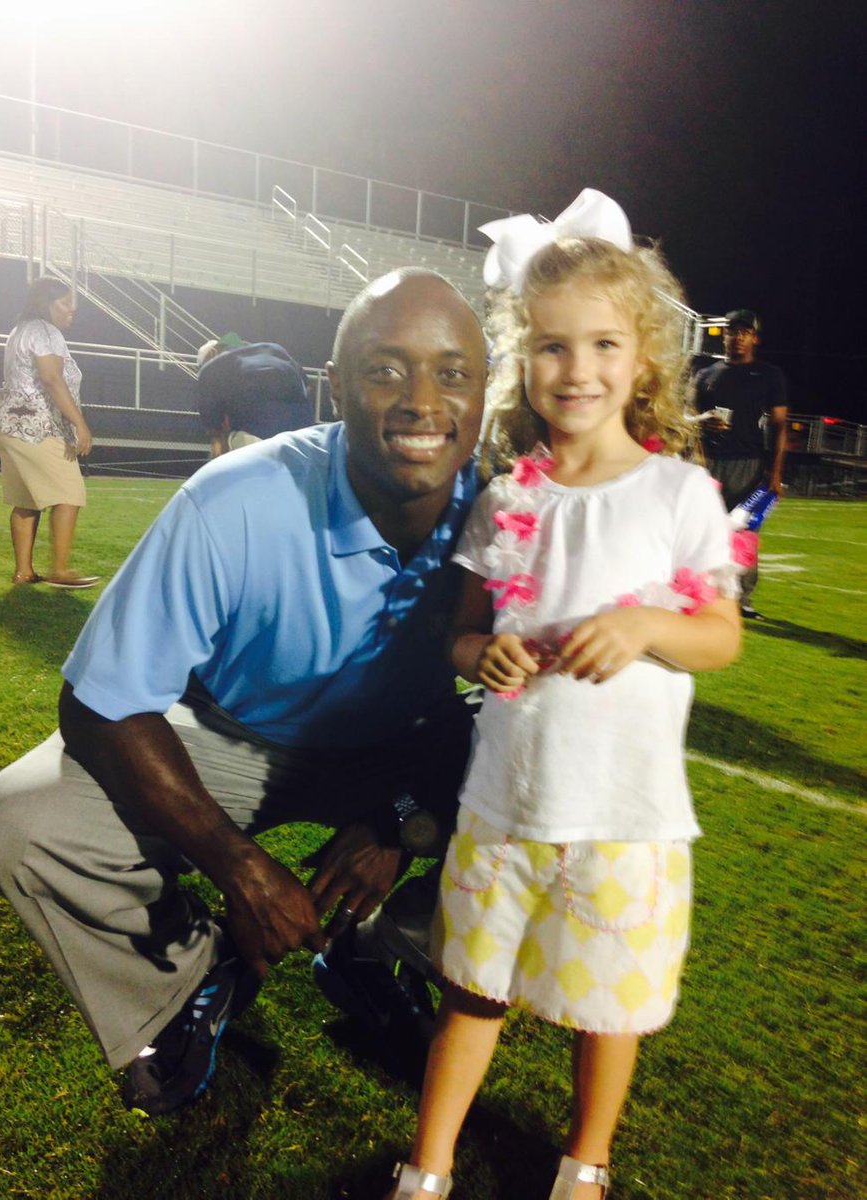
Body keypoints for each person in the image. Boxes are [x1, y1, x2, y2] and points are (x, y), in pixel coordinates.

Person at [0, 268, 487, 1116]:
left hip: (408, 745)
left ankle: (376, 946)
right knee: (20, 821)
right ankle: (189, 976)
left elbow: (541, 714)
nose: (420, 401)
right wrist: (237, 864)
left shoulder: (517, 517)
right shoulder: (237, 497)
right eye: (386, 369)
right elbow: (100, 704)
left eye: (452, 372)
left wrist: (402, 814)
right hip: (232, 736)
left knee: (582, 808)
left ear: (485, 391)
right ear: (335, 386)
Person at [383, 192, 742, 1200]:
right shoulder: (509, 497)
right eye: (550, 347)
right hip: (506, 805)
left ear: (642, 359)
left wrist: (645, 625)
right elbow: (460, 628)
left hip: (624, 816)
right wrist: (476, 656)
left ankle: (585, 1162)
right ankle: (430, 1166)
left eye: (601, 344)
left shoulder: (678, 495)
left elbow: (721, 636)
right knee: (473, 992)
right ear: (521, 359)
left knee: (606, 1007)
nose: (576, 370)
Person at [0, 275, 100, 588]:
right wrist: (80, 423)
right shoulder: (46, 332)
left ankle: (24, 572)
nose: (71, 311)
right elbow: (51, 379)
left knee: (26, 500)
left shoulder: (19, 331)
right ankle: (60, 570)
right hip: (36, 426)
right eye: (65, 304)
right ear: (45, 304)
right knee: (70, 492)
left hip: (8, 424)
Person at [692, 309, 788, 619]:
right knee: (700, 529)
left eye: (745, 332)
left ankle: (742, 599)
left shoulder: (769, 375)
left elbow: (779, 425)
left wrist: (774, 472)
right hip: (707, 462)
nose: (737, 337)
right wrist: (700, 421)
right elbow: (683, 417)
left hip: (748, 463)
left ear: (755, 339)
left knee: (744, 532)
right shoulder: (705, 374)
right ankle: (696, 591)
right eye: (733, 331)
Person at [196, 332, 313, 457]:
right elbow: (308, 386)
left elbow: (216, 436)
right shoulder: (274, 348)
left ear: (213, 353)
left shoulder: (209, 369)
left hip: (254, 437)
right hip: (300, 432)